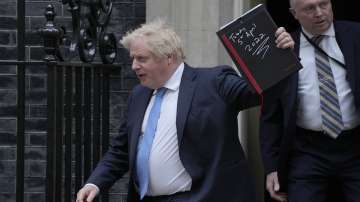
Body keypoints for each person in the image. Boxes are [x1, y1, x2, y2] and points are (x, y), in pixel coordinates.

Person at [76, 19, 294, 202]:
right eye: (133, 58)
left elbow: (258, 92)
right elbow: (121, 150)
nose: (134, 66)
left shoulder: (214, 82)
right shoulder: (139, 95)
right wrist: (95, 182)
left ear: (169, 57)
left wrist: (281, 57)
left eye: (142, 58)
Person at [260, 0, 360, 201]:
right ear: (293, 13)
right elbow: (271, 115)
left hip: (355, 146)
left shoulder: (356, 35)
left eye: (324, 4)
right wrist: (271, 168)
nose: (319, 13)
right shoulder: (284, 50)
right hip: (307, 151)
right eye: (309, 8)